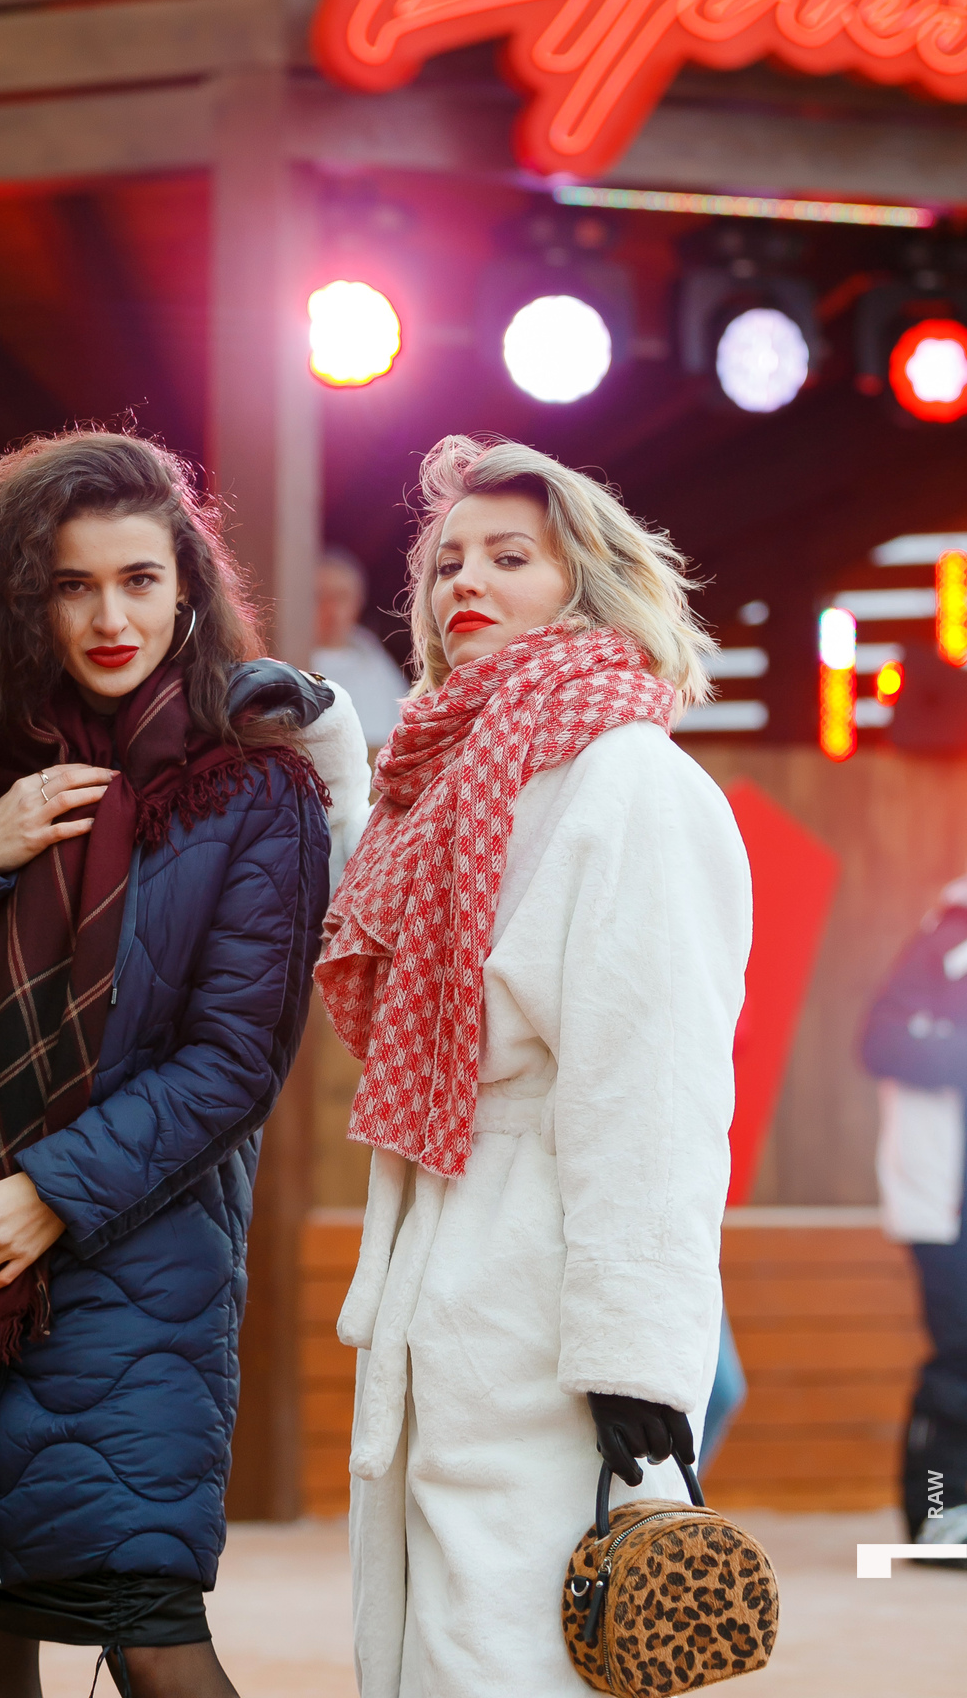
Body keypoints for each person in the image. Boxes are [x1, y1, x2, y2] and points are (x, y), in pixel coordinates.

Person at [0, 431, 359, 1698]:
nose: (109, 618)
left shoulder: (255, 793)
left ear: (185, 591)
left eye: (137, 580)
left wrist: (51, 1193)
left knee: (152, 1638)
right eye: (73, 586)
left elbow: (233, 1065)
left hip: (130, 1267)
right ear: (29, 599)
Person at [315, 436, 753, 1697]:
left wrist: (634, 1367)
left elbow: (653, 1095)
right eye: (447, 561)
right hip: (444, 1275)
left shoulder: (632, 783)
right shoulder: (447, 782)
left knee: (510, 1660)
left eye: (510, 556)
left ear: (586, 582)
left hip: (549, 1299)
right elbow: (397, 961)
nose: (466, 580)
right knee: (441, 1647)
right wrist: (340, 773)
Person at [862, 874, 967, 1553]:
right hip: (946, 1204)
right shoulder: (946, 941)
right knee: (960, 1357)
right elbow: (880, 1041)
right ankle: (938, 1514)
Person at [311, 547, 408, 748]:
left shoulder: (376, 662)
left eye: (342, 597)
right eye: (321, 596)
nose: (332, 608)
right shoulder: (289, 659)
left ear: (358, 601)